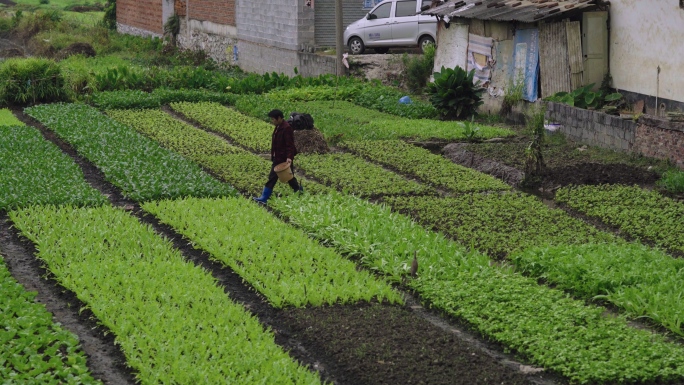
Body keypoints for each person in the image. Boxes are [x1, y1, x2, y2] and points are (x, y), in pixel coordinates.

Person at [253, 109, 302, 204]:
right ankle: (299, 191)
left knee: (273, 177)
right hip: (278, 156)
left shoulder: (286, 128)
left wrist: (289, 157)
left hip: (282, 158)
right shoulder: (279, 126)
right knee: (289, 177)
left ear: (279, 118)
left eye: (273, 119)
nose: (272, 121)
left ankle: (264, 197)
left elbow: (290, 145)